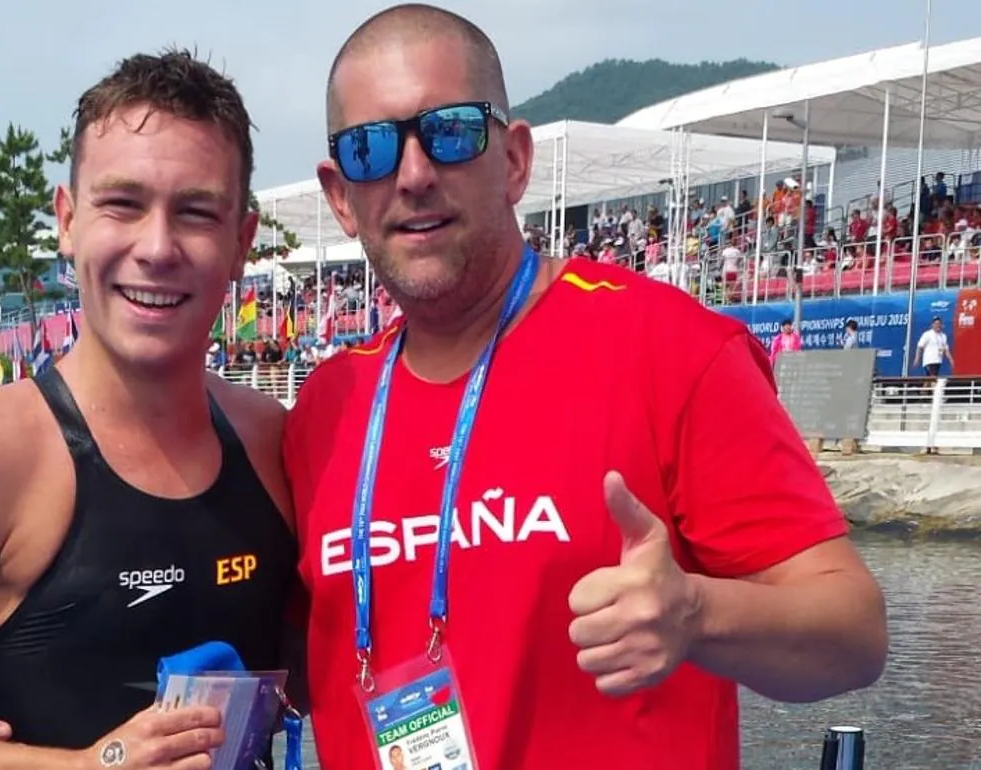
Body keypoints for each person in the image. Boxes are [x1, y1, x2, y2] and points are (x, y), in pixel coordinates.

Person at [283, 5, 888, 770]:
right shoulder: (325, 409)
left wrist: (698, 615)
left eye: (452, 130)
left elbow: (855, 633)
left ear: (513, 160)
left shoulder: (670, 349)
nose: (413, 174)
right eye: (370, 148)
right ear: (340, 196)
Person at [0, 49, 301, 770]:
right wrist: (87, 767)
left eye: (197, 213)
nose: (157, 247)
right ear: (68, 218)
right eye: (123, 203)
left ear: (241, 242)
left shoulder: (276, 442)